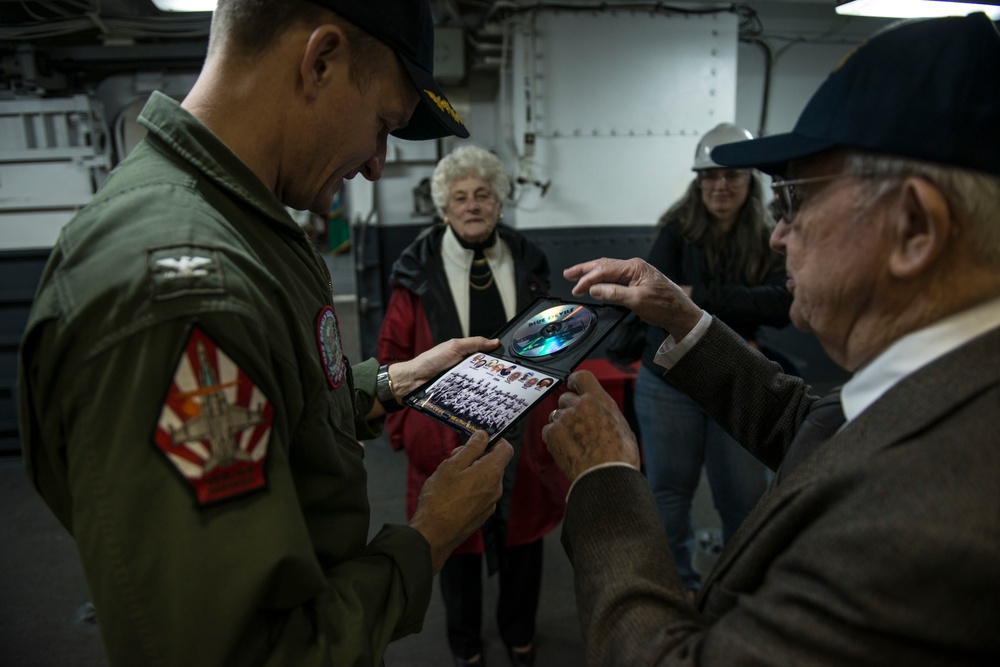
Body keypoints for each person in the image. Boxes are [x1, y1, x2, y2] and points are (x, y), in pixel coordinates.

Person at [16, 2, 516, 666]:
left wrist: (390, 382)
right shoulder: (184, 295)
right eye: (382, 124)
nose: (376, 163)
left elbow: (281, 410)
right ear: (321, 63)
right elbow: (245, 650)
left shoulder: (235, 224)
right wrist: (430, 535)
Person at [542, 13, 1000, 665]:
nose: (780, 234)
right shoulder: (953, 381)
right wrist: (684, 317)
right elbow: (816, 428)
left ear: (913, 227)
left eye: (796, 201)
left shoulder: (930, 521)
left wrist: (605, 479)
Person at [378, 144, 563, 667]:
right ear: (444, 208)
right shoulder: (415, 271)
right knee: (452, 541)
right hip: (443, 431)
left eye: (483, 194)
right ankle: (466, 647)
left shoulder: (529, 263)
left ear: (499, 203)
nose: (472, 204)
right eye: (460, 197)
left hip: (520, 427)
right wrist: (406, 432)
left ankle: (519, 636)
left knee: (522, 542)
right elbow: (393, 352)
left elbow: (551, 342)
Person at [635, 122, 791, 595]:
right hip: (670, 379)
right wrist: (736, 308)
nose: (720, 185)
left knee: (744, 496)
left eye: (731, 176)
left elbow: (781, 305)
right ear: (698, 181)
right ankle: (677, 589)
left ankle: (736, 592)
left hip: (738, 377)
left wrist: (695, 295)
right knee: (668, 493)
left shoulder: (769, 232)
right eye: (709, 177)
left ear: (749, 181)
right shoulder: (676, 229)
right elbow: (654, 303)